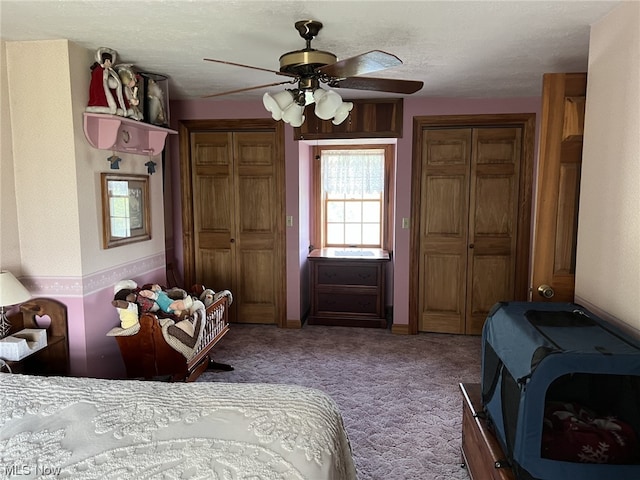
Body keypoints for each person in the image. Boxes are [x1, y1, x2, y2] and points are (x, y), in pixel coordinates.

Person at [86, 47, 127, 116]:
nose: (109, 63)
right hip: (102, 94)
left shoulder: (111, 71)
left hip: (110, 92)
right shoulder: (99, 70)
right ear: (102, 61)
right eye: (107, 61)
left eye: (110, 61)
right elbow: (99, 83)